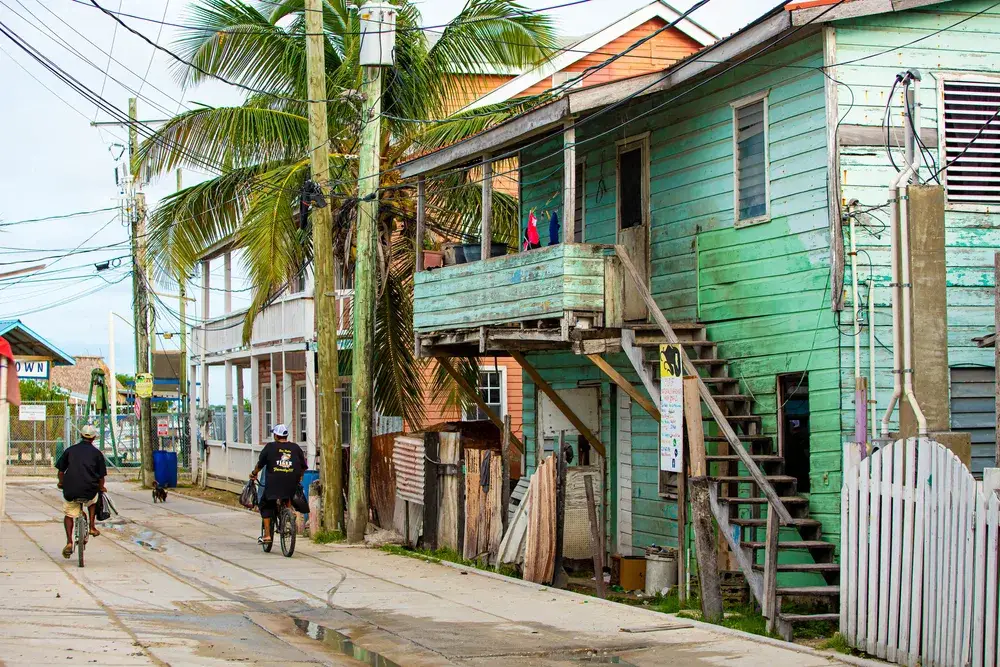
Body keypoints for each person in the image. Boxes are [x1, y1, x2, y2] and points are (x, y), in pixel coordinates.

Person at [54, 424, 107, 558]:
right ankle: (92, 526)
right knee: (93, 500)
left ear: (81, 435)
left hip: (71, 489)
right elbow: (101, 477)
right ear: (94, 438)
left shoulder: (70, 450)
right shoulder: (97, 454)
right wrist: (101, 487)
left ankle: (69, 542)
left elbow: (61, 471)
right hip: (89, 489)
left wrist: (61, 483)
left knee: (69, 513)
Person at [249, 424, 305, 547]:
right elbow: (303, 465)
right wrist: (299, 477)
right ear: (286, 436)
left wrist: (254, 474)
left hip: (274, 484)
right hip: (291, 483)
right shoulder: (295, 448)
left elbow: (260, 464)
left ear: (275, 435)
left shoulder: (270, 447)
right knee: (288, 494)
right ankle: (289, 513)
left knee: (265, 504)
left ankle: (267, 535)